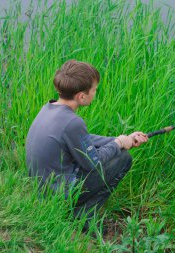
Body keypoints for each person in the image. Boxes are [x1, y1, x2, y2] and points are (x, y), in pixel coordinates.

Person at [25, 59, 148, 234]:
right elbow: (93, 163)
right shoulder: (74, 122)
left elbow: (83, 139)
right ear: (82, 96)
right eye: (94, 90)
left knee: (116, 150)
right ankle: (83, 216)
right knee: (123, 158)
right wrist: (119, 144)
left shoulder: (49, 108)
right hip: (58, 194)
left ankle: (77, 210)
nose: (95, 93)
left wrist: (122, 139)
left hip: (43, 189)